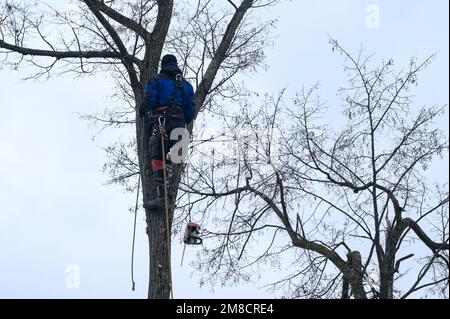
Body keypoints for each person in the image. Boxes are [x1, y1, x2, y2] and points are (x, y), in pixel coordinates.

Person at [139, 54, 195, 209]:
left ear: (162, 65)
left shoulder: (156, 80)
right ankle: (168, 189)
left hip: (162, 122)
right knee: (168, 157)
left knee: (156, 154)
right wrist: (182, 120)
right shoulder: (186, 86)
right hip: (180, 128)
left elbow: (150, 99)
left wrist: (142, 110)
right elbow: (191, 110)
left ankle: (162, 198)